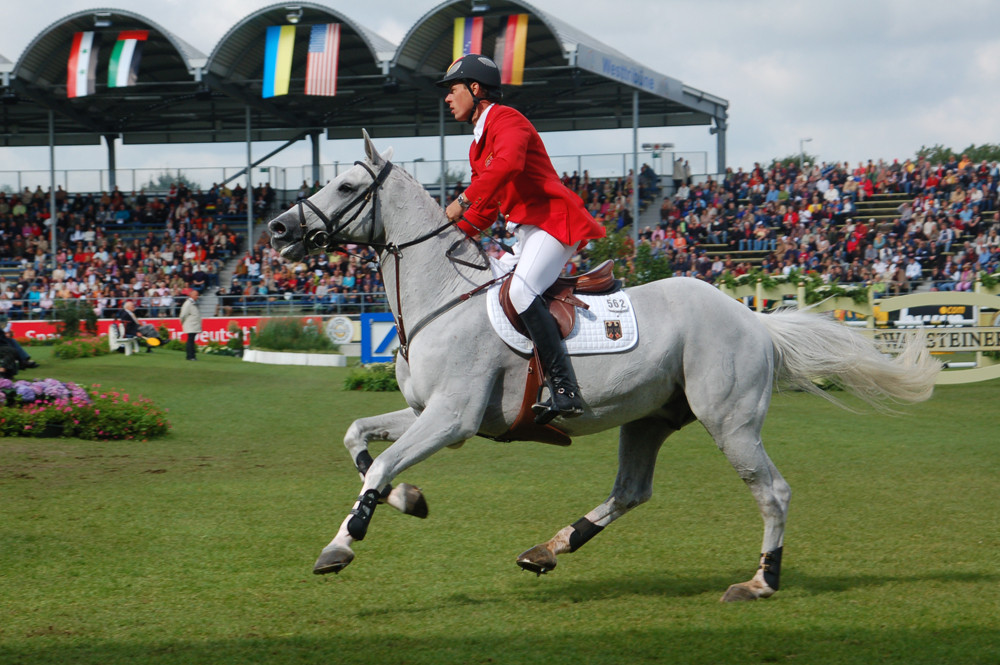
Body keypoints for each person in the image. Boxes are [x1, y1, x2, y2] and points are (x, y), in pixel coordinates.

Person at [438, 54, 606, 424]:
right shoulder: (478, 144)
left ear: (475, 89)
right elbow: (485, 209)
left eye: (452, 90)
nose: (448, 99)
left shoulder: (506, 119)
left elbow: (509, 165)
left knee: (520, 292)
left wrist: (461, 199)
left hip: (553, 223)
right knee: (493, 289)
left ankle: (565, 390)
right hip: (528, 233)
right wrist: (443, 240)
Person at [179, 288, 202, 361]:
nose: (197, 296)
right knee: (190, 340)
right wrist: (183, 323)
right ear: (191, 295)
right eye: (196, 295)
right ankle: (190, 356)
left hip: (193, 325)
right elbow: (183, 315)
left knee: (191, 340)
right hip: (191, 325)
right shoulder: (188, 303)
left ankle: (192, 355)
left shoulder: (192, 303)